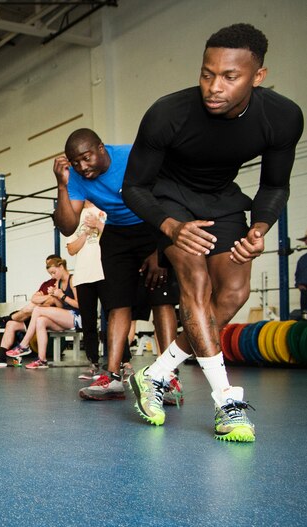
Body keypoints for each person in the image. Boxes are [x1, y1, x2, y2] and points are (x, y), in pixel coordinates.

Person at [122, 23, 303, 442]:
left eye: (229, 76)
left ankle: (156, 373)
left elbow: (275, 185)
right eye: (207, 73)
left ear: (258, 76)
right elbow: (133, 186)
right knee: (196, 285)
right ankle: (227, 402)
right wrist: (169, 226)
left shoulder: (282, 116)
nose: (213, 87)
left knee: (234, 292)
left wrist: (260, 227)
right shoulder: (168, 114)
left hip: (221, 198)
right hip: (169, 199)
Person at [51, 128, 179, 401]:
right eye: (75, 163)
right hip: (117, 234)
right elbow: (67, 226)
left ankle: (169, 377)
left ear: (101, 148)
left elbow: (169, 196)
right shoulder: (74, 177)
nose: (83, 168)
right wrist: (62, 185)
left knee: (161, 300)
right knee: (116, 303)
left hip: (153, 225)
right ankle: (113, 376)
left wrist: (160, 248)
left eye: (87, 158)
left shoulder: (133, 156)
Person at [5, 257, 81, 369]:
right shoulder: (58, 283)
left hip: (77, 317)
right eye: (51, 274)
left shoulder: (72, 279)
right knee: (41, 321)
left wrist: (62, 295)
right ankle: (42, 359)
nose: (53, 276)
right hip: (65, 316)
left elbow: (79, 304)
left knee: (37, 310)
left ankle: (24, 344)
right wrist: (55, 296)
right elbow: (61, 306)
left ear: (61, 266)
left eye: (54, 272)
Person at [66, 202, 106, 378]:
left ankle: (123, 361)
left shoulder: (105, 210)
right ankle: (93, 363)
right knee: (88, 323)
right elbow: (71, 249)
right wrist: (86, 233)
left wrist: (98, 224)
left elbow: (115, 239)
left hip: (106, 273)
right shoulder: (74, 217)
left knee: (114, 317)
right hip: (83, 276)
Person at [296, 230, 307, 318]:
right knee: (304, 315)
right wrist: (299, 284)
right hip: (304, 292)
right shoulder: (302, 259)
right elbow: (297, 274)